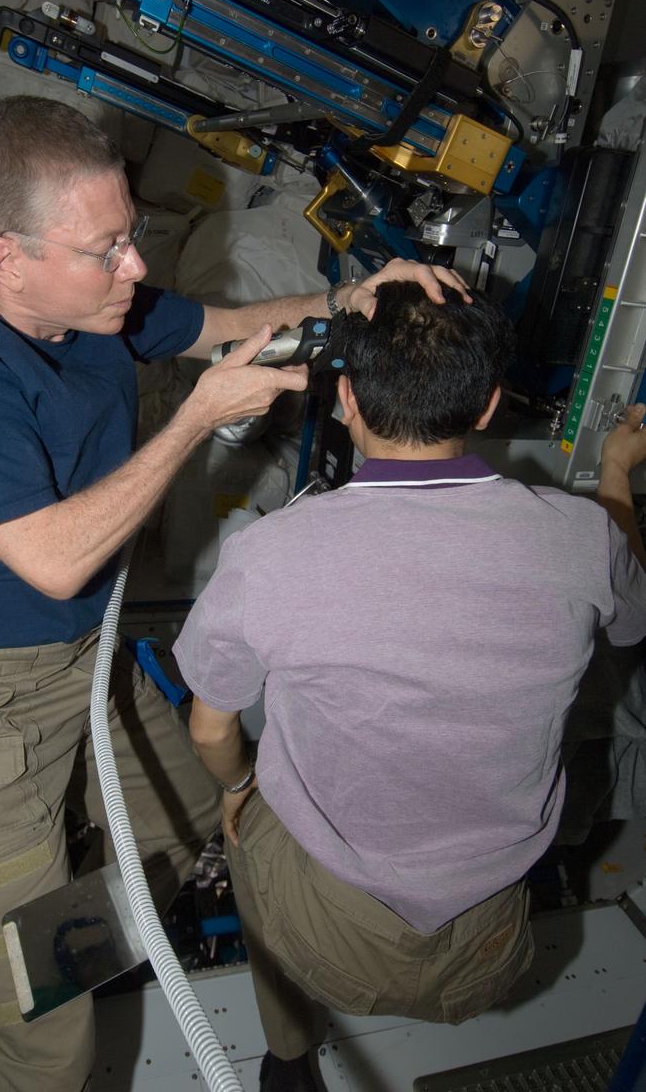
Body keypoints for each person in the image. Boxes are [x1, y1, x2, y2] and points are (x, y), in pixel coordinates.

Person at [0, 95, 464, 1092]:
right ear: (6, 256)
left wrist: (356, 296)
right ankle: (18, 1003)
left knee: (177, 835)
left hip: (80, 666)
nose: (134, 268)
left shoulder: (87, 301)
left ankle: (37, 948)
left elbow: (229, 321)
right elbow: (53, 559)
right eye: (108, 248)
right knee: (44, 1043)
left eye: (131, 236)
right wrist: (196, 418)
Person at [174, 282, 646, 1092]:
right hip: (490, 952)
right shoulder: (582, 537)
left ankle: (288, 1060)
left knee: (248, 827)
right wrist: (614, 474)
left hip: (325, 944)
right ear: (491, 405)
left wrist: (242, 785)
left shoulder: (269, 555)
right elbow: (632, 618)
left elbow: (212, 732)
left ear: (346, 398)